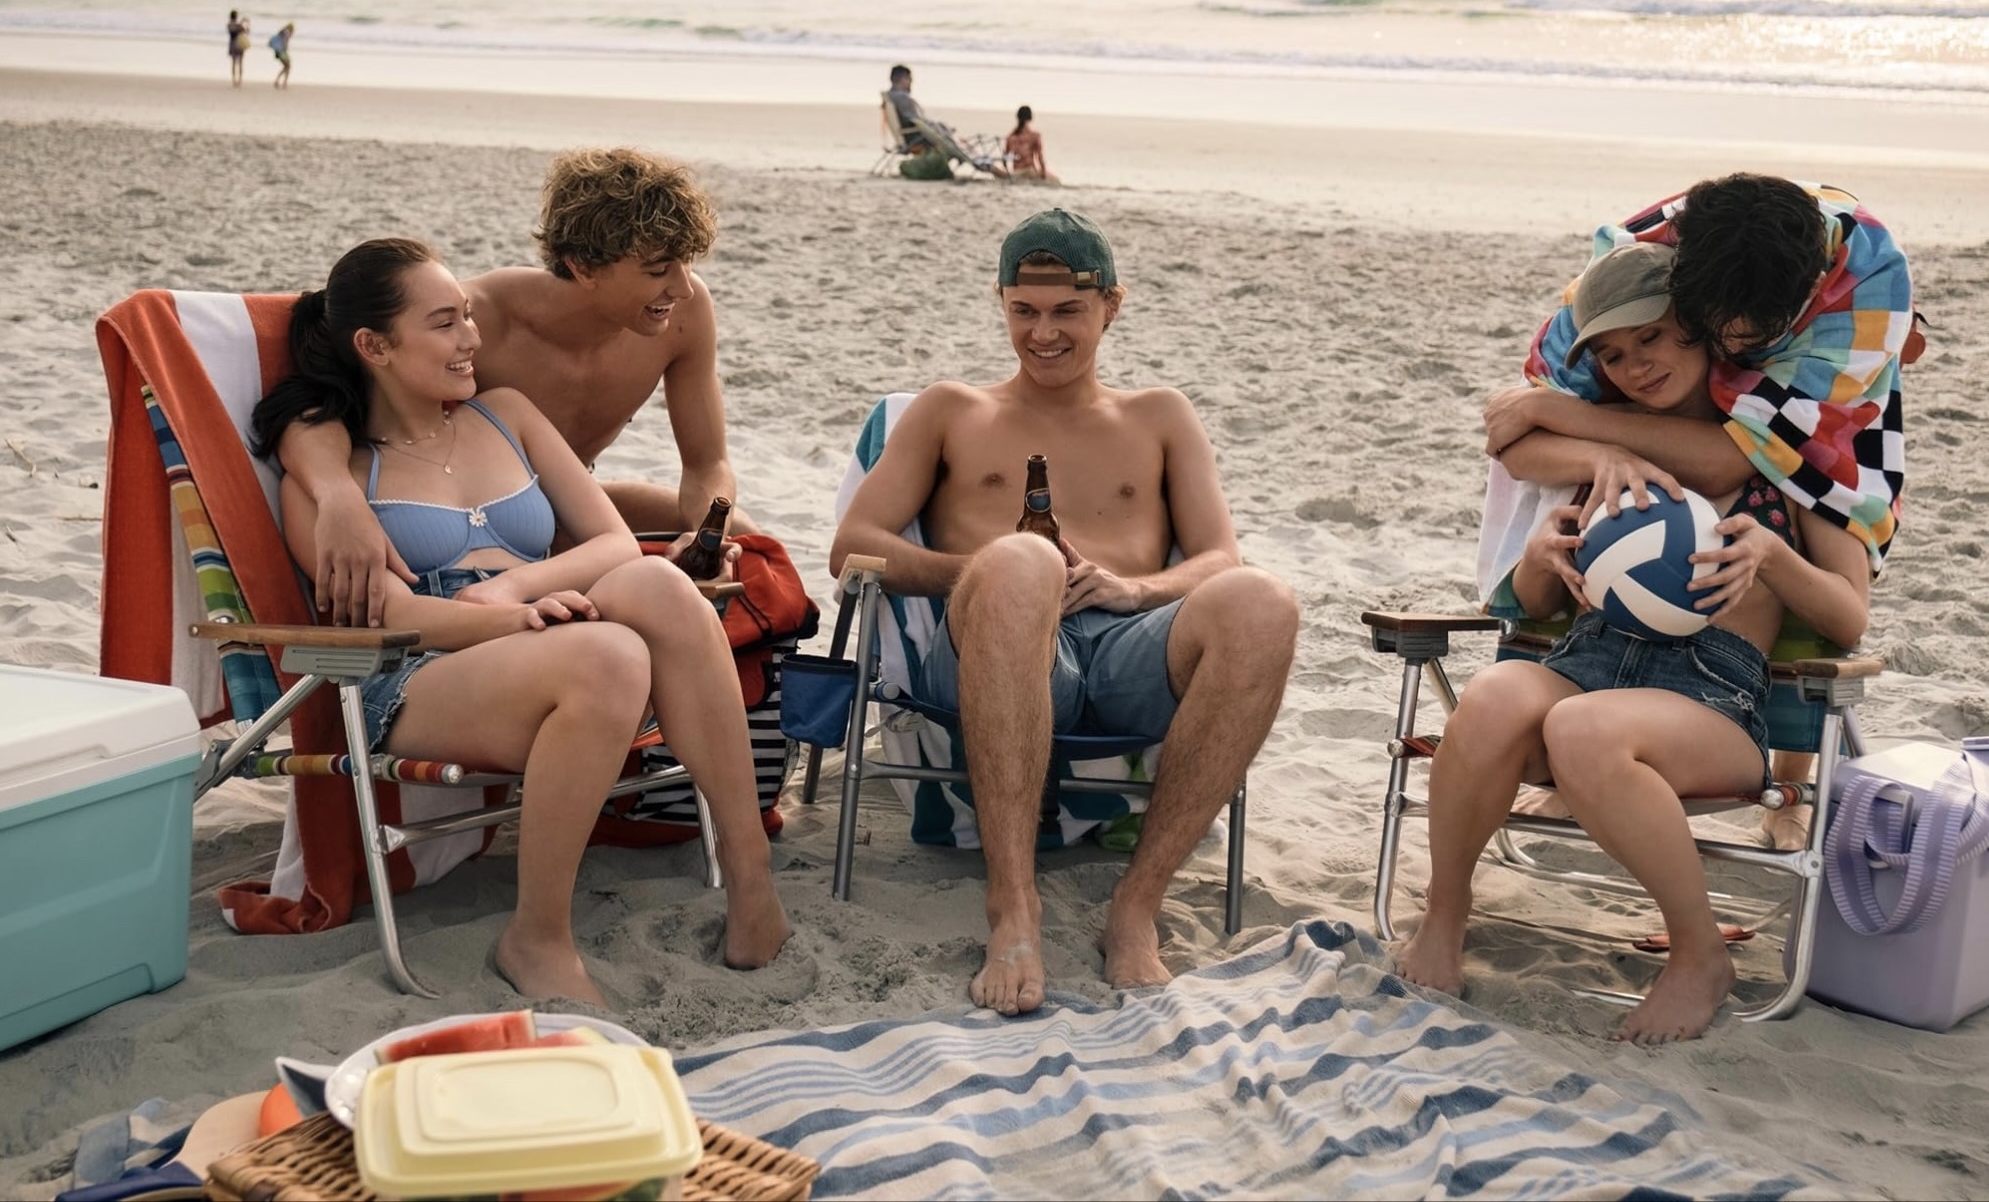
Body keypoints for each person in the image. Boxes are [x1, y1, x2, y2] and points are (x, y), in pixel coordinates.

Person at [249, 238, 791, 1002]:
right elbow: (391, 614)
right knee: (608, 654)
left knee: (660, 584)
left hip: (540, 628)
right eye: (444, 323)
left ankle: (749, 872)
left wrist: (517, 591)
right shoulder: (337, 478)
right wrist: (512, 620)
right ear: (374, 345)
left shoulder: (505, 414)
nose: (471, 337)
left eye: (468, 316)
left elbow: (610, 541)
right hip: (415, 673)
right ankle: (536, 935)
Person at [1394, 243, 1873, 1043]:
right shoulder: (1608, 457)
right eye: (1613, 355)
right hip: (1587, 660)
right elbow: (1538, 602)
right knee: (1493, 695)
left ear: (1701, 328)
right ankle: (1445, 914)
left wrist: (1773, 555)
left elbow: (1850, 617)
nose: (1636, 364)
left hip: (1709, 696)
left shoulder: (1789, 453)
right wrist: (1542, 556)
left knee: (1582, 727)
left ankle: (1699, 954)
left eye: (1650, 336)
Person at [830, 207, 1299, 1015]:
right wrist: (990, 571)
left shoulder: (1158, 415)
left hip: (1128, 646)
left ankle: (1136, 904)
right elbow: (853, 547)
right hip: (991, 645)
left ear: (1111, 306)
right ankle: (1013, 907)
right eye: (1024, 310)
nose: (1043, 333)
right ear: (1001, 303)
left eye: (1067, 311)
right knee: (1023, 558)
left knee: (1265, 600)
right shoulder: (951, 409)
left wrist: (1137, 590)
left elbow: (1221, 555)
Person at [1481, 172, 1914, 848]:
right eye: (1723, 332)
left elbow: (1734, 460)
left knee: (1804, 484)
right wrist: (1590, 446)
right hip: (1679, 358)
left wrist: (1558, 414)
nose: (1738, 353)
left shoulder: (1866, 287)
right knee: (1632, 391)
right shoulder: (1643, 257)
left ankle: (1791, 785)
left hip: (1827, 367)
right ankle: (1592, 757)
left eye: (1756, 336)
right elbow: (1513, 438)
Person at [280, 147, 745, 628]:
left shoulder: (684, 314)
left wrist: (704, 536)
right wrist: (337, 493)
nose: (684, 287)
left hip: (568, 501)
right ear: (583, 267)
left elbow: (707, 463)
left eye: (686, 263)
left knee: (744, 540)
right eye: (658, 270)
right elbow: (315, 408)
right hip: (477, 511)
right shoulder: (471, 320)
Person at [885, 64, 1008, 179]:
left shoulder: (891, 96)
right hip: (920, 139)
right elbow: (918, 123)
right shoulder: (902, 98)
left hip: (913, 137)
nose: (911, 83)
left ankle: (993, 168)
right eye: (909, 79)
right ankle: (996, 171)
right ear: (903, 79)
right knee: (962, 151)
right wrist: (941, 133)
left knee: (960, 146)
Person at [1003, 106, 1058, 184]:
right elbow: (1040, 157)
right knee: (1057, 180)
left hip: (1017, 172)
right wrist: (1043, 174)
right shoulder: (1035, 136)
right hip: (1030, 171)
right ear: (1030, 118)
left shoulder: (1010, 137)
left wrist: (1008, 172)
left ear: (1017, 117)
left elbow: (1005, 159)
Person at [227, 10, 250, 88]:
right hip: (238, 44)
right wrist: (243, 23)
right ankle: (238, 80)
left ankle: (236, 80)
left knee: (235, 63)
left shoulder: (230, 24)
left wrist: (244, 23)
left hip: (234, 44)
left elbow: (245, 31)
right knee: (239, 63)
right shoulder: (234, 25)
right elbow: (244, 31)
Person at [268, 22, 294, 89]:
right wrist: (286, 49)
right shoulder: (287, 32)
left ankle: (278, 81)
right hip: (282, 52)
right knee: (288, 66)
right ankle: (284, 82)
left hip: (277, 51)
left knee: (286, 66)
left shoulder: (282, 32)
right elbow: (285, 42)